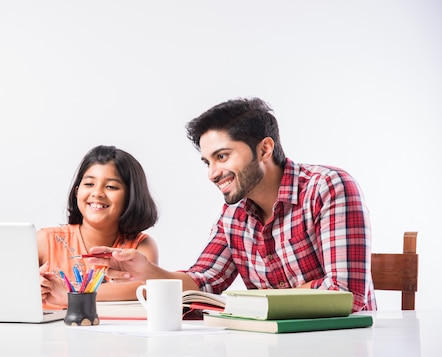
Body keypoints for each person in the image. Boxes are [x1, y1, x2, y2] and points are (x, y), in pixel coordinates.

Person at [88, 97, 377, 312]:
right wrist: (149, 272)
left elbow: (346, 294)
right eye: (207, 162)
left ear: (264, 149)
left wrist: (248, 301)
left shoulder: (327, 187)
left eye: (222, 156)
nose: (212, 173)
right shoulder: (234, 215)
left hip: (342, 343)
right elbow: (204, 281)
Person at [38, 145, 159, 308]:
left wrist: (70, 294)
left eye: (110, 187)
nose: (97, 193)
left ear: (130, 197)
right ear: (76, 191)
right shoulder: (45, 240)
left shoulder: (140, 245)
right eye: (89, 184)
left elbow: (145, 287)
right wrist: (31, 285)